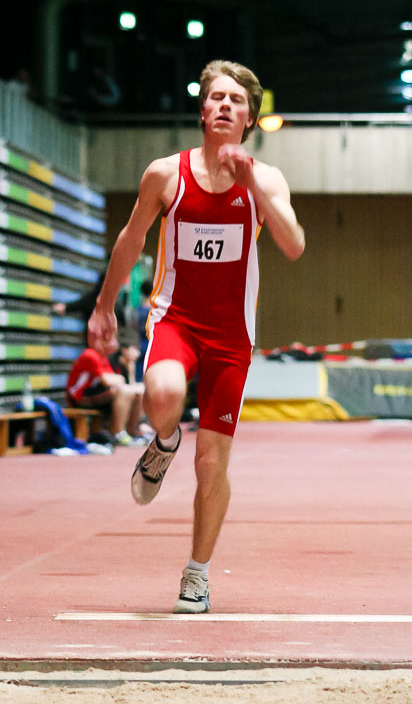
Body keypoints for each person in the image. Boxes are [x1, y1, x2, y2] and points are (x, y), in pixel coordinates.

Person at [88, 59, 305, 613]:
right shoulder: (166, 174)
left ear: (250, 118)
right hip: (175, 320)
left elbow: (294, 244)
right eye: (216, 97)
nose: (225, 105)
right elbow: (131, 241)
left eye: (236, 99)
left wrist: (253, 180)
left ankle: (197, 571)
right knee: (161, 396)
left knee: (212, 463)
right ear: (203, 110)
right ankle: (162, 444)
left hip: (233, 336)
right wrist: (105, 306)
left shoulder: (267, 181)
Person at [66, 341, 146, 447]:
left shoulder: (103, 357)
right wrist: (118, 380)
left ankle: (132, 432)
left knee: (137, 393)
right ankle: (119, 434)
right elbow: (108, 380)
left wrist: (130, 370)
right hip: (79, 397)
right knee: (123, 392)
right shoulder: (90, 354)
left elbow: (116, 379)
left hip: (93, 394)